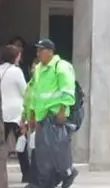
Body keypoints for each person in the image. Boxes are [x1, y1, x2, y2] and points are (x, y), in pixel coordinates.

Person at [25, 39, 77, 188]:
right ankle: (48, 180)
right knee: (44, 152)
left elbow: (67, 90)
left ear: (50, 51)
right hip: (42, 115)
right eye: (38, 50)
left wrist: (62, 110)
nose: (38, 53)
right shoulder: (39, 69)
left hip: (54, 115)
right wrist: (32, 114)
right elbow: (35, 93)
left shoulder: (61, 67)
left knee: (57, 150)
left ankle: (66, 173)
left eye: (41, 50)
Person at [0, 44, 31, 183]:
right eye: (19, 55)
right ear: (15, 57)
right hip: (16, 112)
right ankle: (27, 174)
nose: (20, 57)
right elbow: (25, 91)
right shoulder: (16, 71)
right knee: (21, 144)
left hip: (1, 111)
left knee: (0, 145)